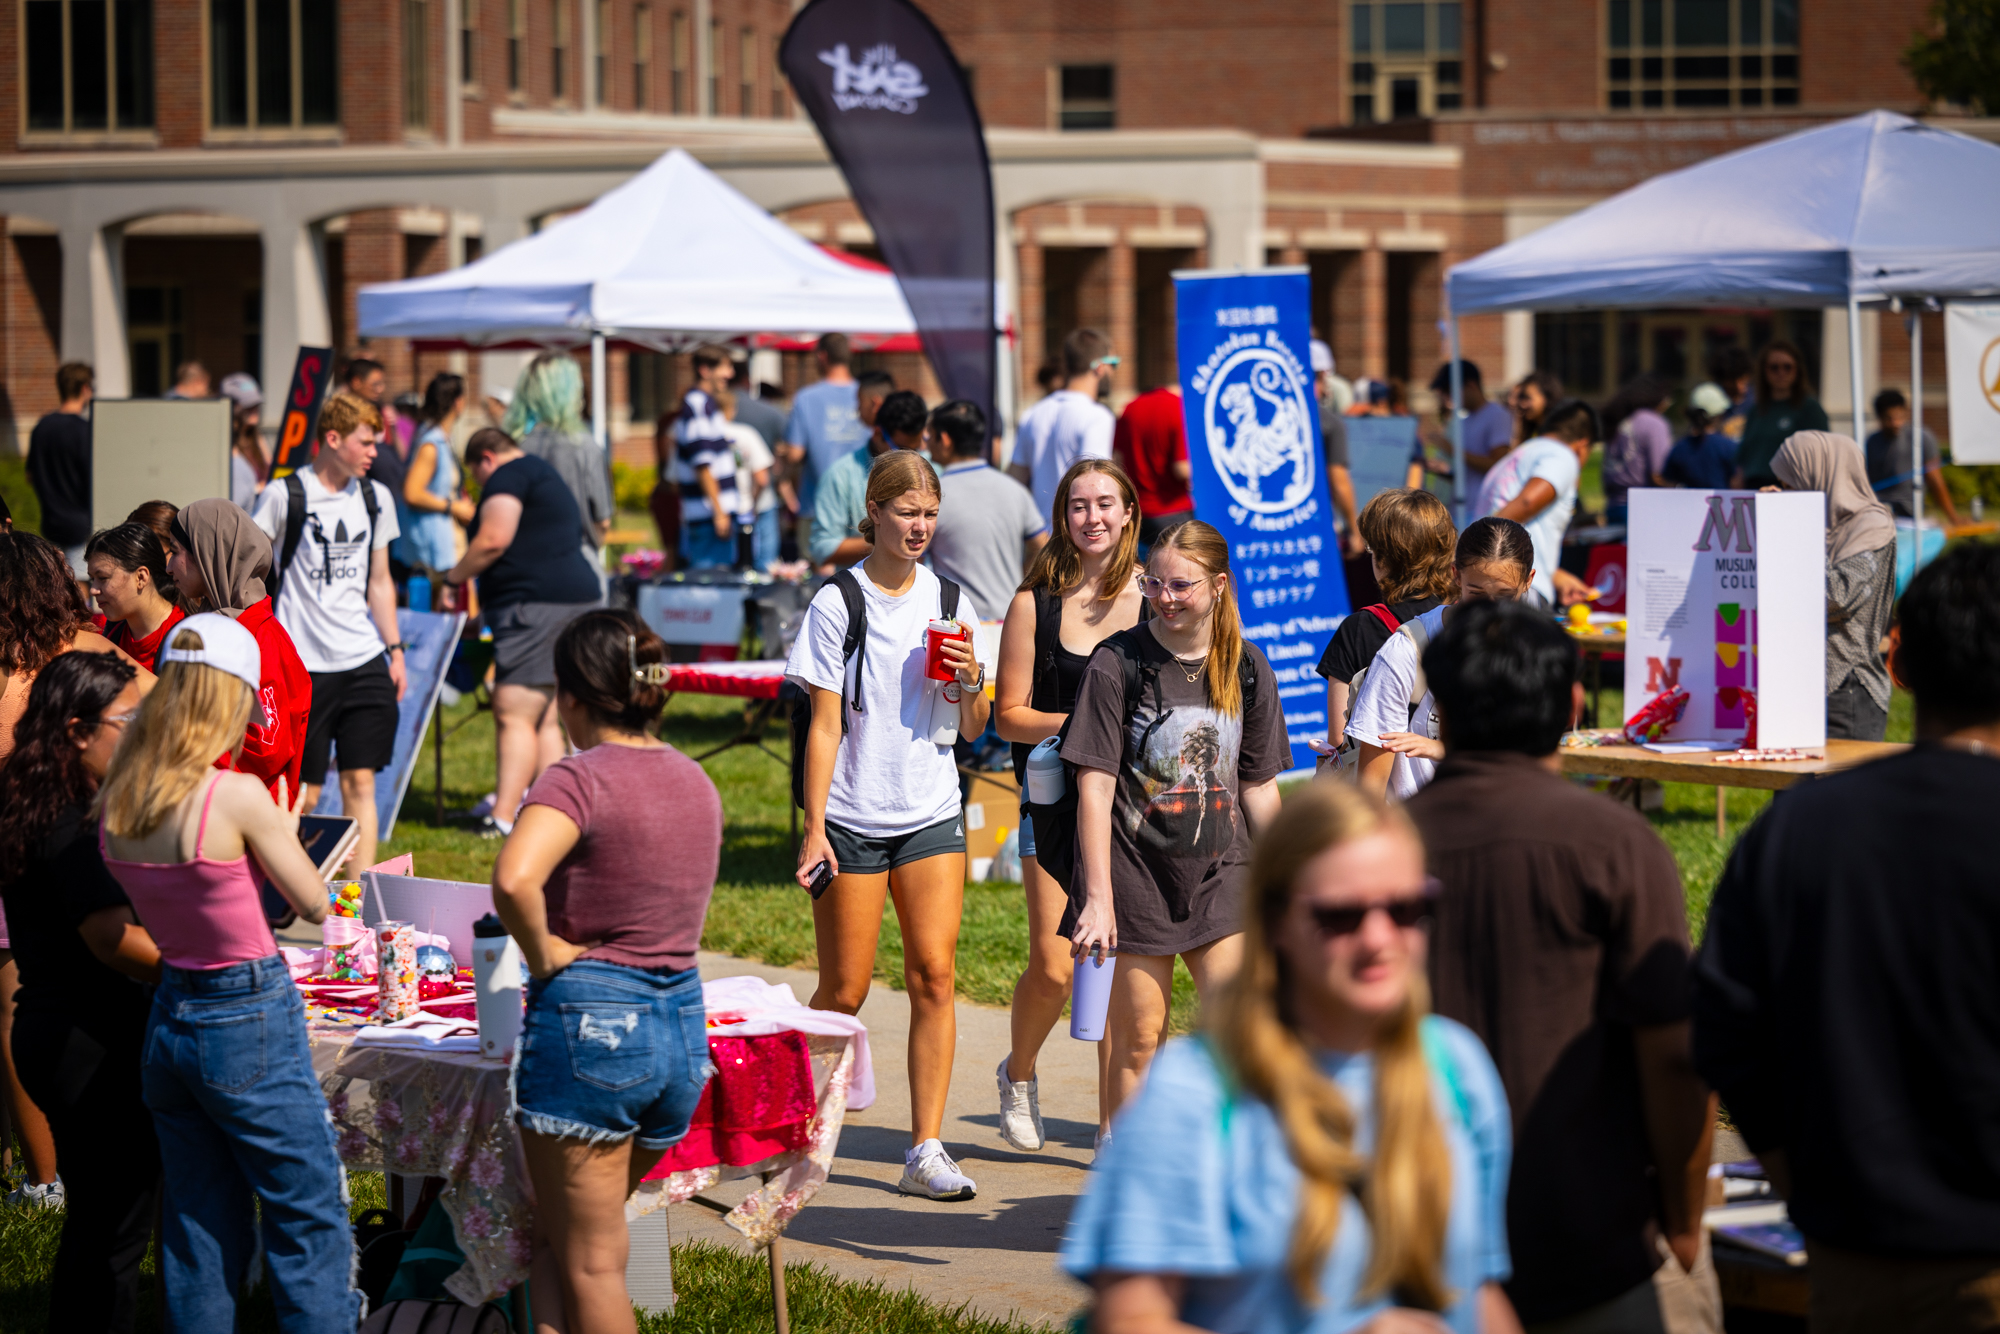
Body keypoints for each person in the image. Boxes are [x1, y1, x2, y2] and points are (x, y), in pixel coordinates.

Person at [1062, 780, 1518, 1334]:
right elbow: (1127, 1320)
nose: (1378, 938)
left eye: (1405, 909)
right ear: (1275, 922)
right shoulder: (1197, 1090)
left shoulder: (1458, 1070)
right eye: (1341, 916)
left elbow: (1480, 1294)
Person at [1693, 542, 2000, 1333]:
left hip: (1853, 1260)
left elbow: (1724, 1026)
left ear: (1896, 667)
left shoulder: (1801, 825)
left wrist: (1803, 1179)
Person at [1410, 600, 1718, 1333]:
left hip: (1416, 1253)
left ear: (1440, 712)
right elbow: (1674, 1058)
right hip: (1595, 1245)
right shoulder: (1616, 845)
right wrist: (1683, 1218)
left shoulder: (1372, 849)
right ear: (1575, 703)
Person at [97, 614, 359, 1329]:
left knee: (197, 1221)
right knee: (306, 1210)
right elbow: (310, 898)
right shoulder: (234, 795)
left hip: (171, 1014)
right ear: (231, 697)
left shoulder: (119, 795)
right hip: (246, 1013)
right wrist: (279, 826)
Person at [493, 609, 722, 1334]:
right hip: (679, 1034)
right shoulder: (695, 780)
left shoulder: (576, 779)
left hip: (594, 1030)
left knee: (592, 1263)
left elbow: (512, 881)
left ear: (569, 695)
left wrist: (545, 954)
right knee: (565, 1245)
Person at [787, 451, 991, 1200]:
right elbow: (822, 727)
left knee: (934, 976)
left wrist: (972, 678)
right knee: (844, 989)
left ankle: (925, 1150)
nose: (920, 526)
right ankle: (789, 1125)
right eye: (907, 512)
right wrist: (816, 830)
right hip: (853, 815)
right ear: (873, 512)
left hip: (932, 809)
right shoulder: (837, 603)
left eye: (930, 513)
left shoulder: (951, 599)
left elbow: (974, 727)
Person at [1064, 520, 1290, 1138]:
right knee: (1140, 1039)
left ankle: (1224, 1173)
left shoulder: (1246, 666)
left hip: (1224, 873)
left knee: (1241, 1031)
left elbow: (1258, 786)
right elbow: (1096, 785)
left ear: (1219, 585)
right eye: (1154, 582)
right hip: (1136, 874)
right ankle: (1129, 1181)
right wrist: (1098, 898)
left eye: (1181, 586)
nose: (1165, 597)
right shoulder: (1118, 663)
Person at [0, 651, 160, 1332]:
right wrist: (205, 963)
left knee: (98, 1228)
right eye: (130, 722)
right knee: (113, 1236)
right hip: (87, 1038)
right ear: (76, 729)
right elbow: (109, 938)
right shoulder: (68, 818)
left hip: (53, 1026)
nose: (143, 735)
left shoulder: (32, 793)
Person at [991, 458, 1146, 1152]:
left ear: (1129, 513)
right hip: (1051, 808)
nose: (1093, 517)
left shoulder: (1156, 595)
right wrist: (1081, 726)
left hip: (1135, 811)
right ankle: (1018, 1073)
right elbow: (1008, 716)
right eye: (1079, 505)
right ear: (1063, 518)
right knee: (1057, 967)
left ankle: (1114, 1128)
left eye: (1105, 503)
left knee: (1113, 967)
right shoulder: (1035, 604)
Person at [250, 389, 406, 872]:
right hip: (304, 667)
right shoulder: (283, 495)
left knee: (361, 782)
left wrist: (395, 650)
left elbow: (379, 581)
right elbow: (248, 568)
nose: (374, 452)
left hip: (363, 659)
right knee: (306, 791)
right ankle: (293, 892)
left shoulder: (375, 497)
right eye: (366, 442)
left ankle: (358, 902)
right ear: (333, 438)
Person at [443, 428, 603, 836]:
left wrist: (453, 578)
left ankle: (503, 817)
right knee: (548, 716)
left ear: (485, 459)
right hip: (574, 600)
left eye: (477, 477)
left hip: (535, 606)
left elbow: (494, 539)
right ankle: (553, 815)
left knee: (513, 710)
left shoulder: (508, 475)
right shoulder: (542, 471)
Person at [1346, 517, 1537, 802]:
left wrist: (1446, 749)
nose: (1490, 609)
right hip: (1418, 833)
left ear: (1528, 581)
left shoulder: (1537, 650)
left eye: (1506, 596)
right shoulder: (1407, 650)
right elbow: (1370, 789)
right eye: (1477, 594)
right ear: (1456, 576)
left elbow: (1535, 758)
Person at [169, 498, 314, 802]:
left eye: (175, 551)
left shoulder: (261, 638)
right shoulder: (216, 625)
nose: (168, 566)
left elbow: (265, 747)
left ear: (209, 554)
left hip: (253, 821)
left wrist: (180, 745)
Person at [1769, 431, 1899, 743]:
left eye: (1791, 484)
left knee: (1840, 792)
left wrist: (1795, 526)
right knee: (1792, 792)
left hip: (1846, 689)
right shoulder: (1820, 526)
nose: (1785, 494)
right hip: (1795, 685)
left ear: (1821, 475)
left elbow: (1834, 598)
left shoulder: (1872, 527)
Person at [1315, 488, 1459, 753]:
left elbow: (1340, 739)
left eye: (1372, 547)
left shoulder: (1359, 629)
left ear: (1385, 557)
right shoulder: (1464, 619)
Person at [927, 400, 1048, 621]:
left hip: (958, 628)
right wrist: (1020, 583)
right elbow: (1043, 548)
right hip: (1010, 621)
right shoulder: (1015, 490)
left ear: (944, 439)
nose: (926, 444)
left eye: (929, 436)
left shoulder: (932, 498)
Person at [1476, 397, 1598, 607]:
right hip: (1517, 593)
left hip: (1491, 586)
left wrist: (1555, 576)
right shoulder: (1562, 456)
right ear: (1582, 445)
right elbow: (1524, 504)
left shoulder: (1521, 454)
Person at [506, 353, 613, 576]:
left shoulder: (513, 448)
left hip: (524, 568)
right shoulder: (585, 446)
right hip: (578, 566)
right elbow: (602, 520)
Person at [809, 389, 930, 570]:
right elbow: (822, 547)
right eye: (901, 449)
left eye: (917, 449)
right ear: (878, 434)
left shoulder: (932, 468)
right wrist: (886, 541)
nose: (910, 458)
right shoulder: (841, 475)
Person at [1010, 328, 1118, 522]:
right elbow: (1095, 483)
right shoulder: (1097, 416)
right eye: (1113, 363)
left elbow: (1014, 480)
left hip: (1039, 536)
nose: (1114, 371)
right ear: (1099, 367)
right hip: (1077, 534)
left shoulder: (1033, 413)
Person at [669, 345, 748, 570]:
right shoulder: (698, 405)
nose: (730, 374)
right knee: (710, 590)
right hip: (709, 518)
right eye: (725, 368)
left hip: (711, 516)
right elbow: (702, 464)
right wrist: (719, 512)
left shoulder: (704, 404)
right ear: (705, 370)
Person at [783, 333, 870, 527]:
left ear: (822, 356)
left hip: (818, 504)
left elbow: (795, 454)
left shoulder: (806, 397)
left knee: (818, 556)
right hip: (863, 504)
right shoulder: (867, 394)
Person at [398, 371, 474, 576]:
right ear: (458, 402)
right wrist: (453, 507)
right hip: (432, 549)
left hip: (441, 542)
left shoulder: (436, 437)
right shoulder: (431, 443)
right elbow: (412, 493)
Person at [25, 362, 95, 577]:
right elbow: (93, 478)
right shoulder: (84, 430)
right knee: (80, 585)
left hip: (51, 522)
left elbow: (30, 475)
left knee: (56, 583)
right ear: (85, 388)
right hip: (81, 525)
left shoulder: (42, 427)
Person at [87, 522, 185, 672]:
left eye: (103, 578)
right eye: (91, 579)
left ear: (141, 577)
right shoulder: (113, 636)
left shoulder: (187, 636)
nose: (93, 590)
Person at [1732, 340, 1828, 488]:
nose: (1781, 373)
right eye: (1774, 368)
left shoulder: (1809, 408)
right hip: (1754, 487)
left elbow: (1822, 452)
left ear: (1797, 370)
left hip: (1790, 487)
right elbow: (1744, 453)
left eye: (1787, 367)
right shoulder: (1756, 410)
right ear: (1765, 371)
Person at [1864, 387, 1961, 524]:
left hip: (1909, 513)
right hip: (1876, 511)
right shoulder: (1870, 442)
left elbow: (1935, 480)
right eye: (1889, 419)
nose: (1896, 423)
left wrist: (1953, 517)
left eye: (1900, 417)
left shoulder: (1921, 437)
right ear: (1879, 417)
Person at [1112, 382, 1193, 548]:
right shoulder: (1178, 407)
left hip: (1135, 513)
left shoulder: (1131, 407)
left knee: (1141, 570)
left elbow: (1117, 461)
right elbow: (1181, 469)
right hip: (1173, 511)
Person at [1600, 374, 1677, 525]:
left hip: (1613, 506)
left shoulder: (1621, 419)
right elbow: (1659, 474)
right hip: (1641, 508)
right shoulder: (1654, 423)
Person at [720, 387, 781, 572]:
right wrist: (752, 503)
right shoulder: (745, 434)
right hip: (756, 509)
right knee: (764, 569)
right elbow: (762, 479)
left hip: (723, 512)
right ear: (732, 409)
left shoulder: (703, 435)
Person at [1431, 359, 1516, 480]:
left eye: (1450, 390)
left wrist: (1453, 451)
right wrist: (1444, 470)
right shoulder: (1463, 419)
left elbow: (1499, 464)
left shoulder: (1497, 415)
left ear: (1471, 385)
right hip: (1464, 498)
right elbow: (1466, 474)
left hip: (1485, 498)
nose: (1449, 396)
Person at [346, 356, 404, 502]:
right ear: (356, 382)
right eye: (375, 384)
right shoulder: (343, 416)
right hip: (361, 496)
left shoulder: (383, 411)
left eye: (382, 384)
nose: (380, 389)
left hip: (391, 496)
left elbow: (401, 455)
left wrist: (393, 427)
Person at [1660, 384, 1741, 490]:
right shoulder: (1728, 447)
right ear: (1719, 414)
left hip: (1689, 505)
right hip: (1722, 505)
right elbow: (1737, 484)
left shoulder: (1679, 448)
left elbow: (1669, 483)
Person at [219, 372, 266, 511]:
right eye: (248, 405)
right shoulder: (226, 445)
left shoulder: (257, 438)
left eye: (256, 404)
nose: (254, 410)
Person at [1706, 345, 1754, 441]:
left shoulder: (1757, 400)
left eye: (1743, 379)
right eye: (1733, 381)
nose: (1739, 386)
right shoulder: (1713, 402)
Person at [1508, 370, 1563, 446]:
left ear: (1547, 398)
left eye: (1527, 398)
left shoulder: (1561, 435)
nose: (1522, 404)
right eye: (1521, 397)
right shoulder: (1533, 431)